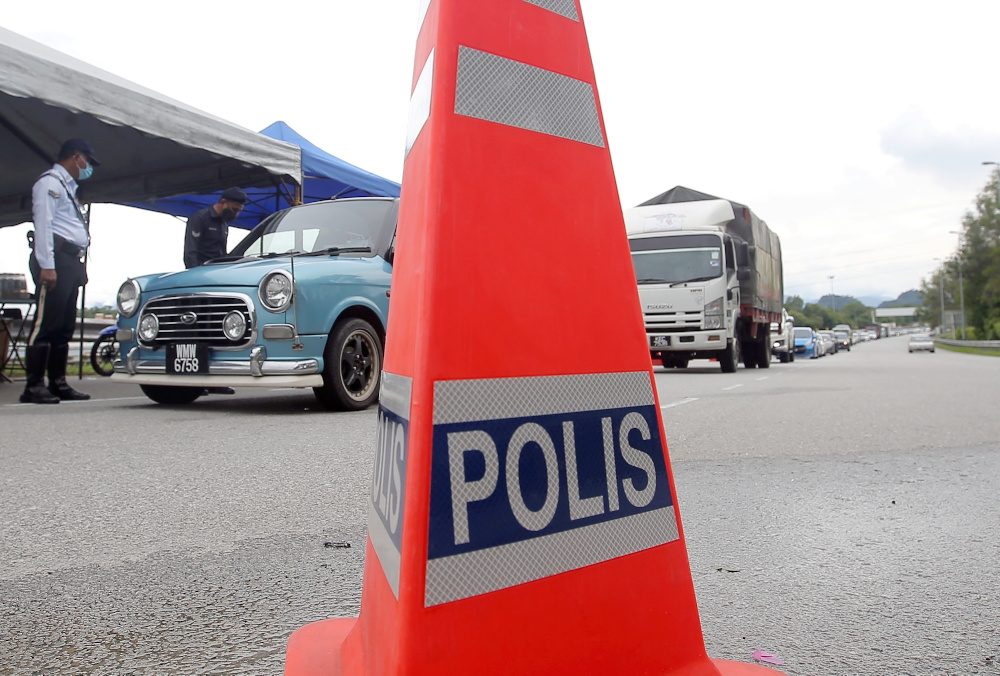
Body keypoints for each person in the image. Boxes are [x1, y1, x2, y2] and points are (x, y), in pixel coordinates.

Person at [21, 139, 100, 404]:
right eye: (87, 161)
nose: (87, 167)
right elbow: (44, 224)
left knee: (64, 326)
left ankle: (57, 382)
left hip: (69, 260)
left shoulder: (68, 188)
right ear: (76, 157)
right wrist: (47, 264)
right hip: (54, 257)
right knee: (46, 323)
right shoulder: (50, 183)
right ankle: (33, 385)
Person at [183, 187, 247, 269]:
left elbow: (222, 253)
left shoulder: (224, 224)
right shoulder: (200, 218)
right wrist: (193, 273)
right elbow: (190, 251)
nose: (235, 214)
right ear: (223, 202)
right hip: (200, 270)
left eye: (238, 211)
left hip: (217, 272)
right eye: (234, 209)